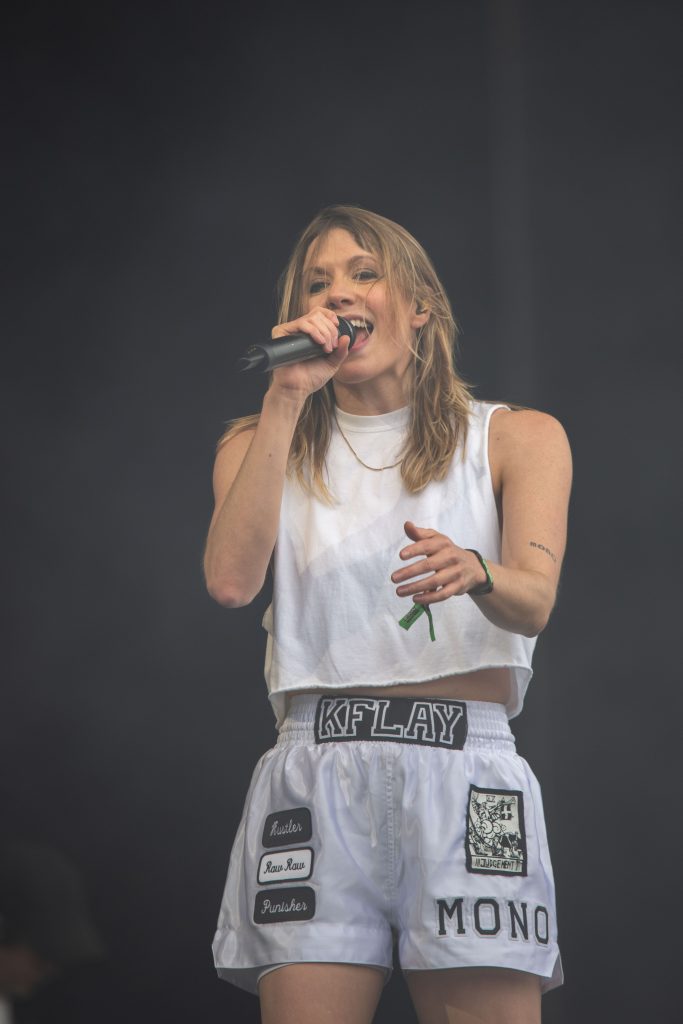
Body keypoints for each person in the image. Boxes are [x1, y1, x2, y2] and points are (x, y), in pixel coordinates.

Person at [204, 205, 572, 1024]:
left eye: (363, 273)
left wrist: (476, 570)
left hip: (464, 768)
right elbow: (230, 583)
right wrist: (285, 396)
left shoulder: (516, 438)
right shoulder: (257, 443)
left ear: (419, 305)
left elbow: (534, 602)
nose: (338, 295)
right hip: (315, 769)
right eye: (317, 282)